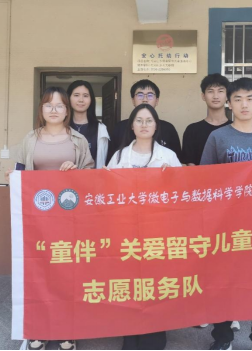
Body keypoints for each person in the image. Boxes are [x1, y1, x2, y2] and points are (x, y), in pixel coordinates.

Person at [201, 78, 252, 351]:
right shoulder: (218, 138)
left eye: (250, 98)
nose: (244, 104)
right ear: (229, 104)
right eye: (237, 99)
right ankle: (222, 337)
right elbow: (205, 178)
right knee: (224, 285)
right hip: (226, 227)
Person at [7, 87, 95, 351]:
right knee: (39, 272)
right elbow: (20, 171)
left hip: (70, 220)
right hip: (37, 221)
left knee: (67, 273)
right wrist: (13, 178)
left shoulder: (78, 140)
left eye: (59, 105)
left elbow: (91, 177)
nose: (54, 110)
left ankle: (68, 329)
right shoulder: (30, 139)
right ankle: (39, 328)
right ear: (41, 110)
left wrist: (76, 171)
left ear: (67, 110)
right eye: (48, 105)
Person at [105, 104, 181, 350]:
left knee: (156, 285)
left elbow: (182, 194)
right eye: (139, 120)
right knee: (130, 285)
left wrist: (172, 178)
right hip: (126, 233)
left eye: (149, 120)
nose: (144, 124)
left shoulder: (168, 156)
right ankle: (130, 336)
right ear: (132, 125)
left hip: (158, 232)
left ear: (156, 125)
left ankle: (154, 336)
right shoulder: (119, 157)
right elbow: (107, 193)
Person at [183, 74, 240, 333]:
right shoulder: (193, 130)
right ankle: (204, 309)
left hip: (232, 206)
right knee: (203, 258)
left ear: (227, 96)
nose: (215, 95)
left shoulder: (238, 128)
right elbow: (189, 167)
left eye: (220, 90)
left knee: (230, 259)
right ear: (202, 95)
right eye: (210, 90)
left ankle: (231, 311)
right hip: (202, 206)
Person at [107, 80, 181, 164]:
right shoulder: (119, 128)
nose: (145, 99)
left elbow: (177, 163)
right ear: (133, 100)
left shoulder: (168, 129)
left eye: (150, 95)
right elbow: (111, 162)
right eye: (140, 95)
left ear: (157, 101)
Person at [67, 80, 110, 168]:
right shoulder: (61, 126)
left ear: (91, 99)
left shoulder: (100, 129)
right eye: (76, 95)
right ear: (68, 98)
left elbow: (102, 161)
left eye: (85, 96)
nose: (81, 100)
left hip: (92, 175)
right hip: (64, 176)